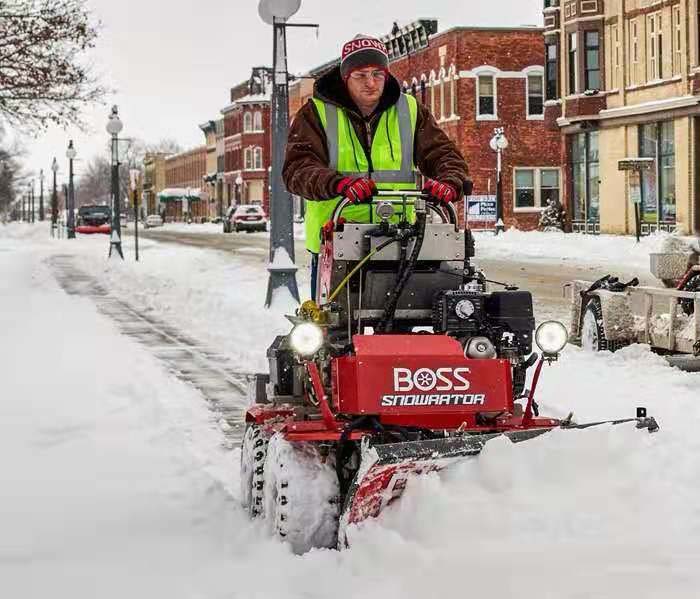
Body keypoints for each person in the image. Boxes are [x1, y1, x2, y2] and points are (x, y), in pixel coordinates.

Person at [283, 34, 470, 297]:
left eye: (377, 74)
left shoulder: (410, 110)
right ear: (345, 77)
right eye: (361, 75)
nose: (371, 83)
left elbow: (442, 153)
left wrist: (450, 181)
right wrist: (339, 184)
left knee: (407, 320)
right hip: (339, 238)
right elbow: (298, 169)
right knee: (334, 326)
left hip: (400, 239)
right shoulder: (315, 113)